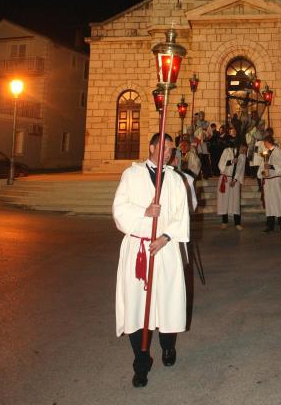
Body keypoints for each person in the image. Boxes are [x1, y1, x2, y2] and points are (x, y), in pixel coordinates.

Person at [113, 133, 189, 387]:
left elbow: (181, 214)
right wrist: (144, 212)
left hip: (165, 248)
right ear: (152, 147)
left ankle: (168, 346)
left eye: (171, 150)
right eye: (164, 148)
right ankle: (141, 362)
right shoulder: (130, 175)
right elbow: (118, 208)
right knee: (137, 306)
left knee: (167, 301)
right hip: (138, 248)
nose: (168, 153)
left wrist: (165, 237)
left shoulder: (176, 180)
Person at [258, 133, 281, 232]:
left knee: (279, 202)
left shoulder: (277, 151)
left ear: (267, 142)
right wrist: (262, 173)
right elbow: (263, 166)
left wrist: (271, 166)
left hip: (276, 181)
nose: (264, 144)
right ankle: (270, 225)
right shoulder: (266, 152)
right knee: (269, 203)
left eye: (264, 142)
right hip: (268, 182)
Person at [217, 140, 247, 230]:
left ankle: (237, 223)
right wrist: (231, 161)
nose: (244, 151)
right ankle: (224, 222)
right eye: (243, 149)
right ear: (239, 147)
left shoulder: (243, 156)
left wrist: (235, 180)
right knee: (224, 200)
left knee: (235, 201)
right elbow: (221, 164)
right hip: (225, 178)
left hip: (235, 181)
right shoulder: (227, 151)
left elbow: (241, 169)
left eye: (245, 150)